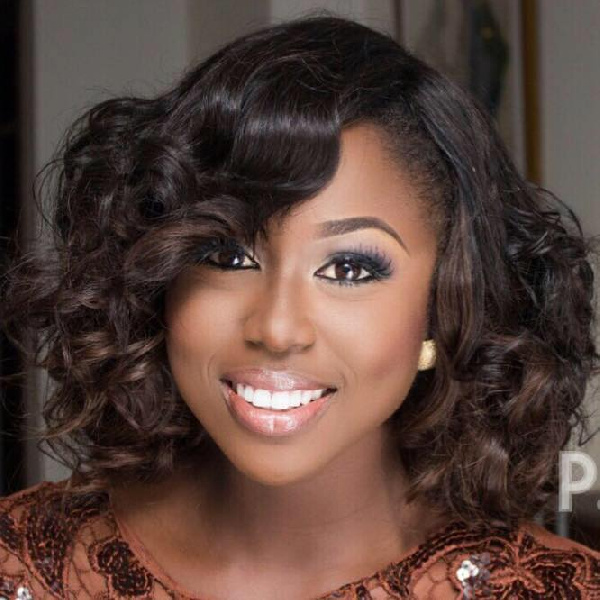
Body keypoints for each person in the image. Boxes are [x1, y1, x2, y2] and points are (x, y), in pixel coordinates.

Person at [0, 13, 599, 600]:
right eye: (227, 255)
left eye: (348, 269)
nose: (277, 328)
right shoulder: (22, 561)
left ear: (448, 305)